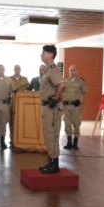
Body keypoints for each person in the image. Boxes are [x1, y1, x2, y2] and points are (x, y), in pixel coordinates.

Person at [38, 46, 66, 174]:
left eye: (43, 52)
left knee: (52, 134)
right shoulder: (47, 70)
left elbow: (62, 84)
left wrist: (55, 99)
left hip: (52, 108)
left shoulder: (54, 70)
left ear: (50, 55)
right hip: (47, 107)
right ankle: (51, 161)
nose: (41, 54)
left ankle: (54, 164)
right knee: (48, 134)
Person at [62, 65, 88, 150]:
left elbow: (84, 94)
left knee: (76, 124)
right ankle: (69, 142)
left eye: (73, 70)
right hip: (66, 106)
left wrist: (83, 106)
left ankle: (75, 142)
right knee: (67, 124)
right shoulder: (65, 81)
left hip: (76, 106)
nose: (72, 72)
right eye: (70, 70)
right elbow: (62, 93)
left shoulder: (81, 81)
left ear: (77, 71)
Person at [9, 64, 29, 145]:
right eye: (15, 68)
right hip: (12, 104)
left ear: (20, 70)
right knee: (12, 121)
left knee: (22, 121)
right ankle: (12, 139)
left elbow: (29, 91)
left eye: (18, 68)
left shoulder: (25, 80)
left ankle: (21, 138)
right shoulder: (9, 79)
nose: (17, 70)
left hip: (22, 106)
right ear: (14, 69)